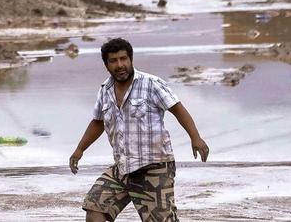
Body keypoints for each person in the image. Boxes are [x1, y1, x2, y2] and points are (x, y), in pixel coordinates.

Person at [70, 38, 209, 222]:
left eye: (123, 59)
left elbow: (177, 109)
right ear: (106, 64)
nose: (120, 65)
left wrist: (196, 138)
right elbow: (98, 122)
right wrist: (79, 150)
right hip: (123, 168)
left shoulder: (151, 84)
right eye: (114, 61)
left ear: (131, 59)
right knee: (95, 209)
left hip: (154, 168)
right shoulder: (105, 90)